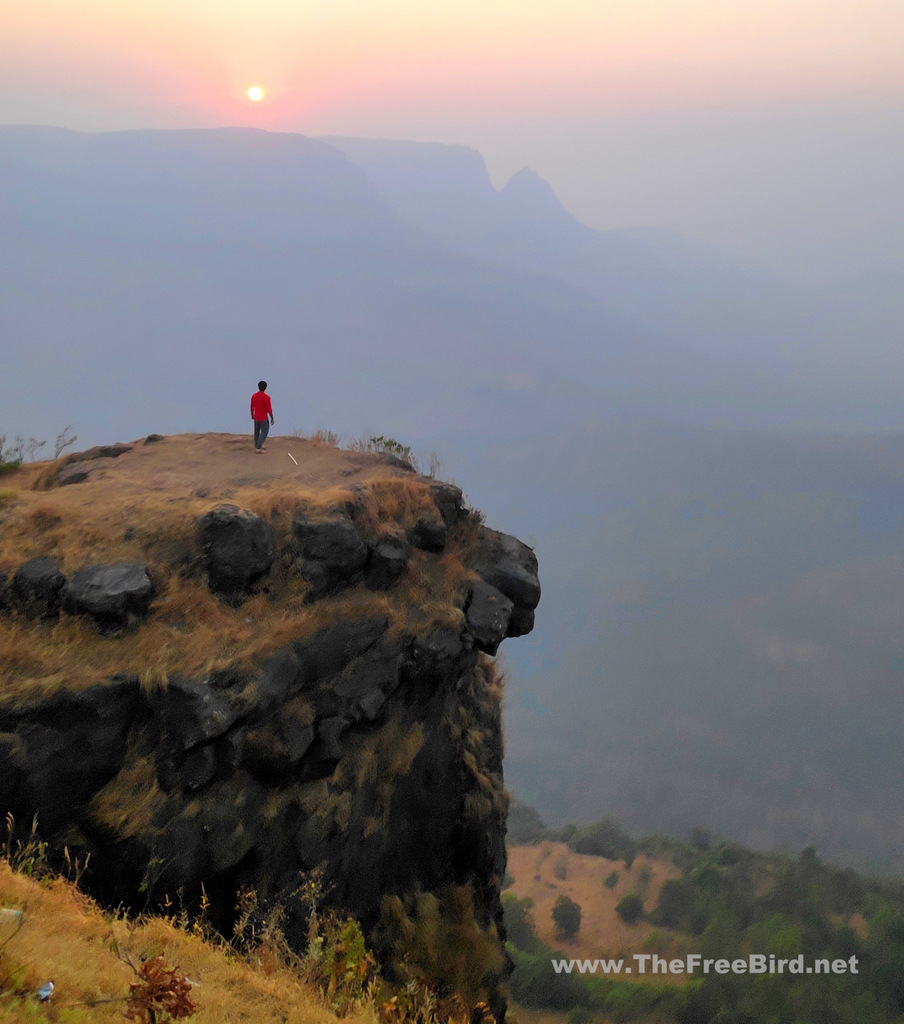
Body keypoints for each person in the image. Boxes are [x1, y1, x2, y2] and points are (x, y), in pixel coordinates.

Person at [250, 381, 274, 453]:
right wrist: (272, 417)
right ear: (265, 388)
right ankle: (258, 447)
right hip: (263, 417)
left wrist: (252, 414)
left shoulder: (254, 396)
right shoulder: (266, 397)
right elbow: (269, 409)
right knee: (264, 432)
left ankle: (257, 445)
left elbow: (251, 406)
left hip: (256, 416)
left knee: (256, 431)